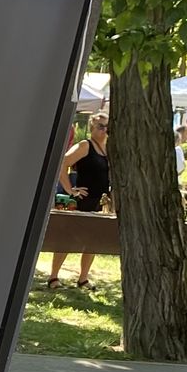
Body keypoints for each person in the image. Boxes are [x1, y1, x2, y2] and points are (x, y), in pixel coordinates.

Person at [48, 112, 110, 288]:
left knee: (93, 241)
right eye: (100, 126)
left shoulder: (108, 149)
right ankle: (53, 277)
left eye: (107, 126)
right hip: (82, 200)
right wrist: (70, 189)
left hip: (99, 201)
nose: (104, 130)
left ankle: (83, 278)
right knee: (67, 239)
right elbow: (63, 163)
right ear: (92, 128)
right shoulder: (85, 145)